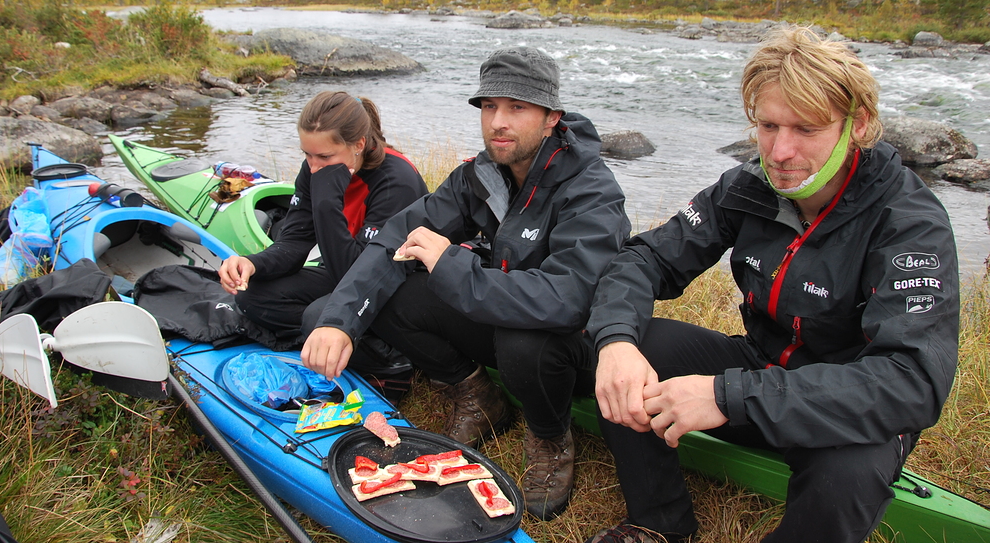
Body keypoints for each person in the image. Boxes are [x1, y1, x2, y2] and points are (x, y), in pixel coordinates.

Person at [585, 27, 960, 543]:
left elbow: (910, 381)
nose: (780, 151)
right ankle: (659, 523)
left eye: (806, 129)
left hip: (845, 402)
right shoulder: (750, 186)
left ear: (859, 125)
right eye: (767, 125)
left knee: (843, 479)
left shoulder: (907, 222)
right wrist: (616, 342)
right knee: (631, 346)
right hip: (760, 364)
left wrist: (728, 396)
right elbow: (646, 258)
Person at [301, 46, 631, 520]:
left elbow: (565, 299)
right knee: (389, 288)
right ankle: (476, 392)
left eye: (518, 108)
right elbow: (396, 236)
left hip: (573, 345)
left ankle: (550, 434)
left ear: (550, 118)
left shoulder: (591, 187)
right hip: (504, 318)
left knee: (524, 340)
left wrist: (452, 266)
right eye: (490, 106)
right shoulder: (480, 176)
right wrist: (338, 321)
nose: (499, 121)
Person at [218, 90, 428, 348]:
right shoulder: (316, 168)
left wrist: (326, 204)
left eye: (325, 157)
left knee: (317, 317)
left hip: (397, 280)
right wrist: (252, 264)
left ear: (359, 145)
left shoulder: (395, 181)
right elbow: (295, 241)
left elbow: (359, 275)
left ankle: (387, 355)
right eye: (307, 154)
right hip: (348, 265)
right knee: (251, 296)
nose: (313, 167)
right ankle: (342, 343)